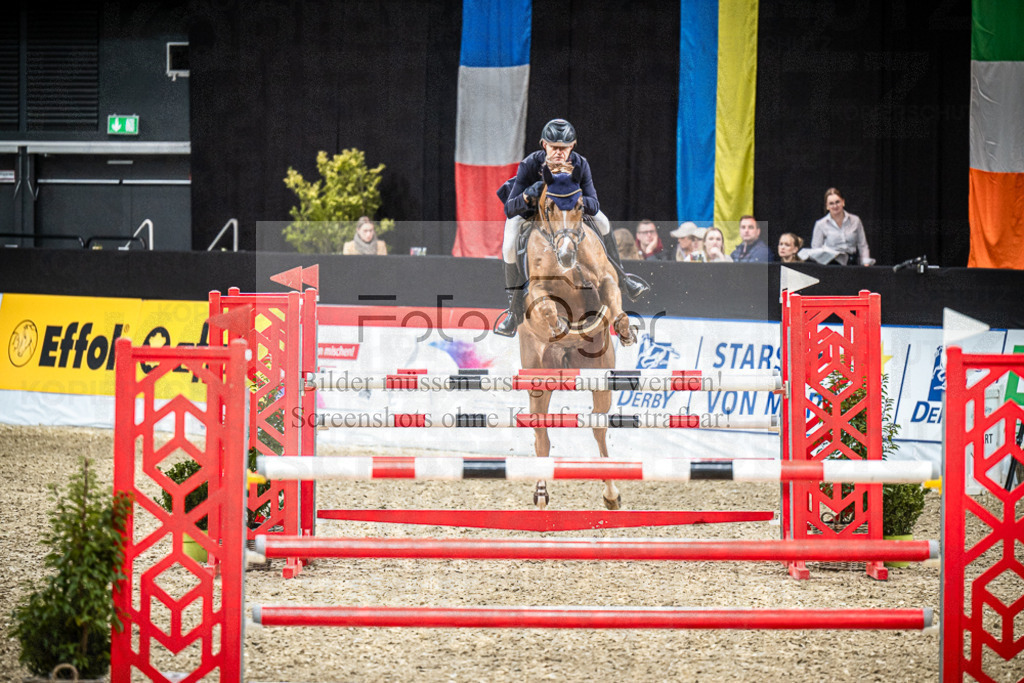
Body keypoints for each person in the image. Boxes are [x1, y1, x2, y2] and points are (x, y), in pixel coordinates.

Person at [494, 119, 649, 337]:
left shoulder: (580, 164)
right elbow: (510, 208)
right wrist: (530, 194)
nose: (559, 152)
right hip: (532, 214)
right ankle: (513, 309)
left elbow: (594, 202)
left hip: (569, 214)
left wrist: (578, 203)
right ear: (544, 144)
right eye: (553, 147)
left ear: (572, 146)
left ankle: (623, 279)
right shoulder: (530, 164)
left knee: (604, 221)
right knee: (509, 243)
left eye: (564, 148)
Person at [811, 187, 873, 266]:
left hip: (852, 264)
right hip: (831, 265)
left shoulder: (855, 220)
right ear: (827, 206)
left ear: (843, 202)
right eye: (831, 203)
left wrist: (866, 263)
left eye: (837, 202)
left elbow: (862, 245)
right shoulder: (820, 224)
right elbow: (816, 250)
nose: (835, 206)